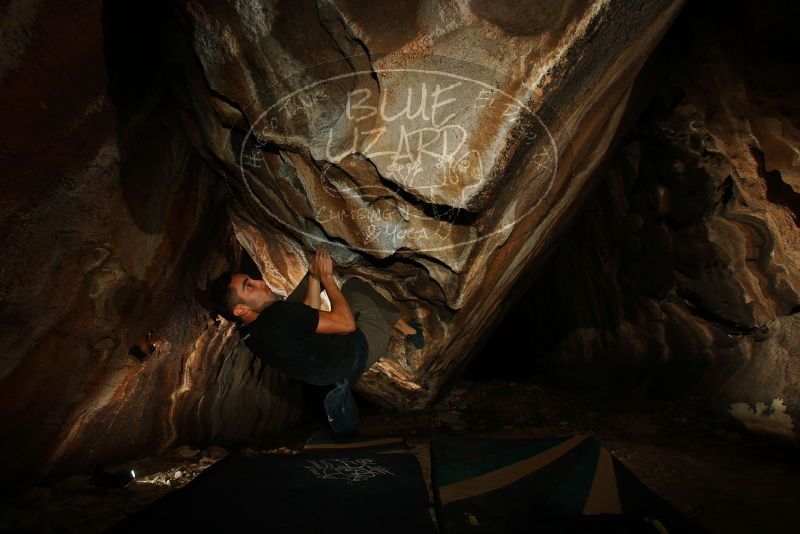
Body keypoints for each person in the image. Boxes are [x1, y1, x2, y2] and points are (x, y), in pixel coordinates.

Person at [209, 246, 424, 432]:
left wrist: (314, 277)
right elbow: (346, 324)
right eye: (249, 286)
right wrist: (328, 280)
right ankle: (410, 331)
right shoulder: (280, 315)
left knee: (302, 305)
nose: (259, 282)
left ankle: (341, 389)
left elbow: (300, 321)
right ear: (239, 309)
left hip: (325, 375)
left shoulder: (248, 334)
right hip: (359, 352)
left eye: (252, 279)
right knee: (355, 287)